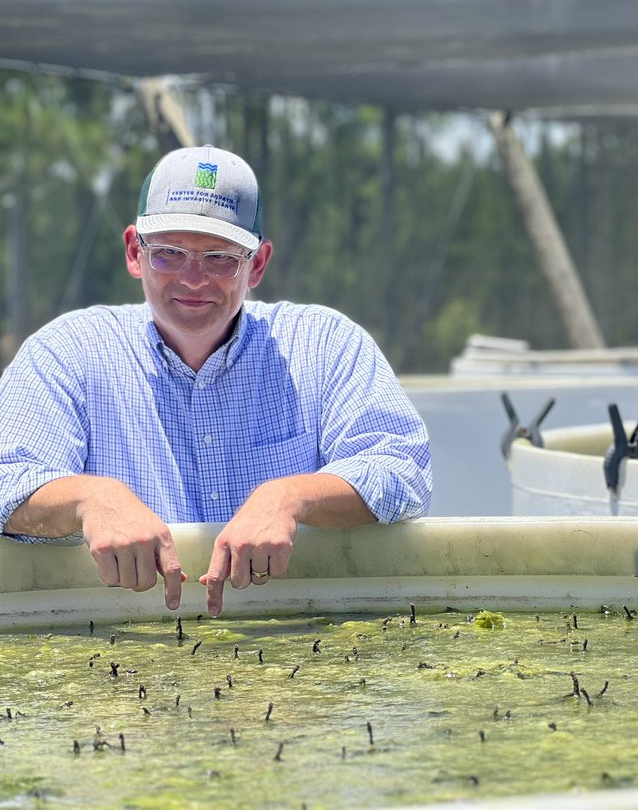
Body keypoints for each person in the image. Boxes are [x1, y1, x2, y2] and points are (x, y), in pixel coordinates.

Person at [0, 145, 432, 616]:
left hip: (296, 634)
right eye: (169, 253)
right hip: (118, 639)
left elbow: (403, 469)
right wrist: (90, 498)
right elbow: (8, 478)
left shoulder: (325, 344)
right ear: (134, 252)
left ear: (257, 264)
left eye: (220, 258)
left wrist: (291, 497)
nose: (193, 278)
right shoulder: (67, 352)